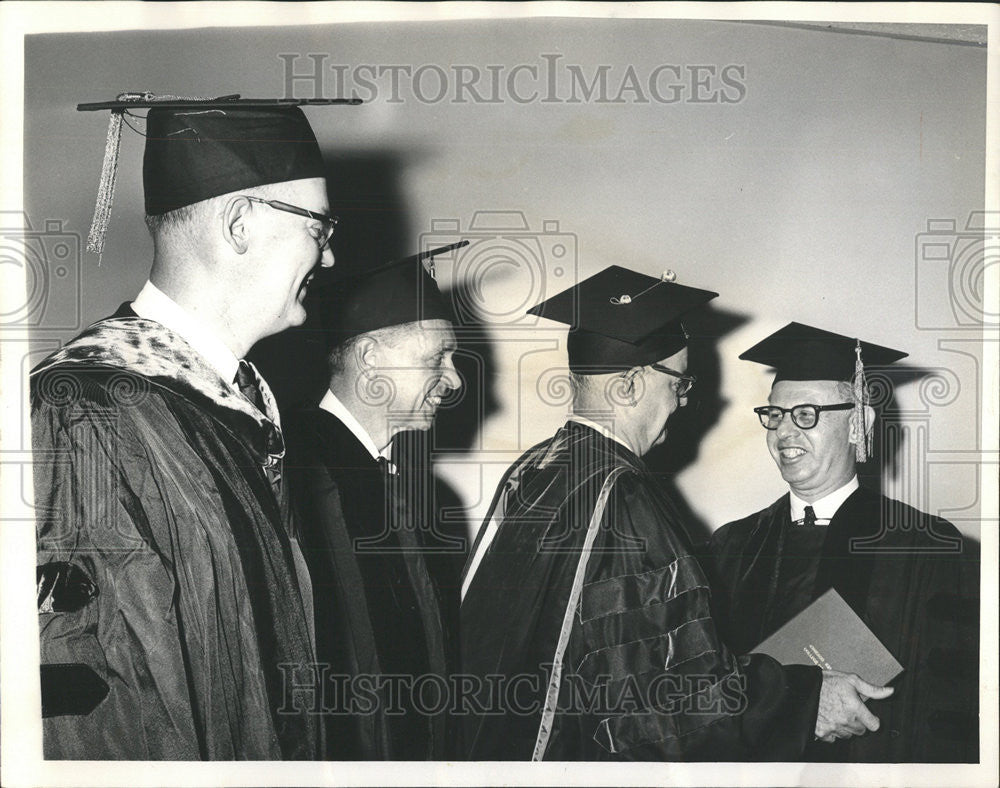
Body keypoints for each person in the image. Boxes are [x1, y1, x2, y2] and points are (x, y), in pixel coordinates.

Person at [460, 266, 886, 760]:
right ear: (629, 387)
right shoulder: (620, 496)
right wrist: (805, 700)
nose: (682, 403)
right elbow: (673, 699)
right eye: (678, 385)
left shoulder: (537, 468)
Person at [32, 95, 346, 759]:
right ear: (240, 224)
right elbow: (81, 713)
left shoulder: (237, 408)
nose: (329, 260)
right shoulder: (84, 415)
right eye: (320, 231)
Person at [704, 322, 980, 762]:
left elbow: (954, 709)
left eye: (806, 414)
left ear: (858, 423)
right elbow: (705, 687)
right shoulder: (732, 547)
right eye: (774, 415)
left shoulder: (928, 547)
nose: (784, 434)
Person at [283, 245, 462, 759]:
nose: (454, 379)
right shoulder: (290, 476)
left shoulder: (418, 493)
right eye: (437, 358)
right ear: (370, 358)